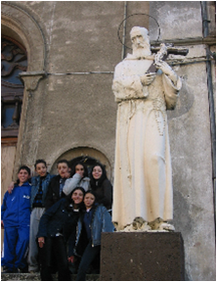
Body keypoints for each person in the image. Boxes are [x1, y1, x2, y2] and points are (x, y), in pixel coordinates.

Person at [112, 26, 182, 231]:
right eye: (134, 38)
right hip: (132, 119)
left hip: (154, 116)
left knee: (154, 159)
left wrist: (167, 70)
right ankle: (134, 219)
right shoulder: (123, 65)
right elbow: (117, 88)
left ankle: (158, 218)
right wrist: (139, 81)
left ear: (148, 38)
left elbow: (172, 97)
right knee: (133, 165)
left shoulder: (158, 63)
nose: (138, 41)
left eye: (141, 36)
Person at [37, 187, 85, 281]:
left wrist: (71, 252)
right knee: (46, 264)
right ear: (71, 195)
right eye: (75, 194)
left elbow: (72, 235)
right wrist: (41, 234)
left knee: (63, 265)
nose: (77, 196)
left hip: (60, 239)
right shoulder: (62, 202)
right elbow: (46, 217)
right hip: (48, 235)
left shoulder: (79, 214)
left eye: (80, 195)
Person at [71, 190, 115, 281]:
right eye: (87, 198)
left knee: (86, 264)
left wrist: (106, 240)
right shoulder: (82, 212)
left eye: (91, 198)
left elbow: (107, 225)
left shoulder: (101, 209)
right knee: (83, 264)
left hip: (98, 240)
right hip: (89, 241)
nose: (89, 200)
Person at [1, 165, 32, 273]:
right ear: (18, 175)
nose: (23, 175)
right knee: (9, 244)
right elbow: (4, 205)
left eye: (25, 173)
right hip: (10, 220)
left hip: (24, 221)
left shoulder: (31, 189)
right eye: (21, 173)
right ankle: (8, 266)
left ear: (29, 176)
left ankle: (19, 264)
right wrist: (2, 218)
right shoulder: (10, 190)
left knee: (24, 240)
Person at [28, 159, 55, 273]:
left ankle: (46, 265)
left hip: (46, 209)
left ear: (46, 167)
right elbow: (21, 180)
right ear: (36, 170)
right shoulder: (34, 180)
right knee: (32, 237)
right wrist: (12, 183)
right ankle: (32, 266)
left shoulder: (52, 179)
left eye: (43, 167)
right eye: (39, 168)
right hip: (35, 210)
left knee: (44, 237)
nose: (41, 170)